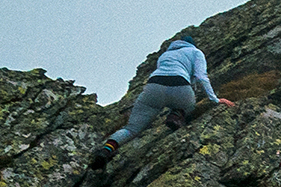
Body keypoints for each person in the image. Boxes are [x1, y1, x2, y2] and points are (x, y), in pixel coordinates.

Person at [91, 35, 231, 166]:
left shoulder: (165, 55)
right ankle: (176, 115)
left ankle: (106, 149)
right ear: (192, 44)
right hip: (180, 85)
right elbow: (201, 76)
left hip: (153, 87)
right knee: (188, 105)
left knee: (131, 128)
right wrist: (215, 100)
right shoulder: (195, 52)